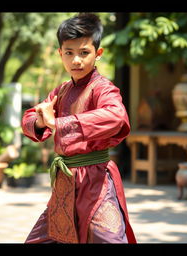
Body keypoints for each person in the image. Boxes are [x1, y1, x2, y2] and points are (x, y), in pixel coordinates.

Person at [22, 13, 136, 244]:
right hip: (65, 184)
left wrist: (60, 123)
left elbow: (116, 115)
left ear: (98, 53)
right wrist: (42, 121)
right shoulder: (61, 90)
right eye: (69, 53)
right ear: (60, 54)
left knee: (109, 239)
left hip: (96, 181)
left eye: (84, 53)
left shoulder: (103, 88)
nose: (76, 60)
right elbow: (31, 117)